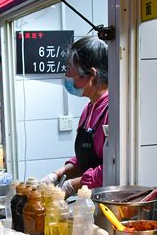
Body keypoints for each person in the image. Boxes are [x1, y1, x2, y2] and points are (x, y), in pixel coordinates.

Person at [41, 36, 109, 196]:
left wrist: (73, 185)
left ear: (91, 74)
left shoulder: (112, 111)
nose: (67, 75)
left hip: (109, 202)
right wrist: (57, 175)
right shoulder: (89, 109)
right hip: (89, 200)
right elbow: (84, 160)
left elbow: (113, 168)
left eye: (70, 69)